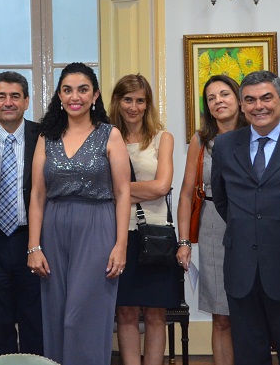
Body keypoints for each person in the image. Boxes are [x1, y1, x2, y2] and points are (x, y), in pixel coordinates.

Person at [27, 62, 131, 365]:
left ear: (95, 95)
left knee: (82, 318)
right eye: (68, 90)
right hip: (53, 227)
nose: (76, 96)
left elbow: (123, 192)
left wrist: (120, 245)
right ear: (59, 95)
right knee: (57, 316)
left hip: (97, 225)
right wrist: (34, 246)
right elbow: (37, 194)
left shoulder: (110, 135)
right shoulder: (48, 136)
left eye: (83, 89)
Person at [210, 70, 280, 365]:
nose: (259, 106)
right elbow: (222, 199)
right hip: (241, 269)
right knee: (248, 356)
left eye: (267, 98)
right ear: (242, 105)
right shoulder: (226, 146)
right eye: (250, 100)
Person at [176, 75, 247, 365]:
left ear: (239, 99)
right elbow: (185, 193)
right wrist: (183, 241)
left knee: (253, 312)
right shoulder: (201, 140)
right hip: (213, 226)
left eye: (224, 94)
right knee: (221, 315)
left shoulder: (256, 134)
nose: (218, 101)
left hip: (251, 224)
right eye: (211, 97)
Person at [109, 74, 178, 365]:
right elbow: (100, 191)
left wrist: (120, 192)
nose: (133, 107)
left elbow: (162, 186)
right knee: (124, 311)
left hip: (157, 234)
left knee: (155, 313)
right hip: (119, 235)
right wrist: (138, 192)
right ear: (117, 102)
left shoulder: (163, 138)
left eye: (140, 100)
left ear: (148, 104)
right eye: (128, 99)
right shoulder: (106, 137)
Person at [0, 71, 43, 357]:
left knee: (34, 318)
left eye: (15, 96)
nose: (8, 102)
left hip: (32, 240)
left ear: (26, 101)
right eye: (1, 96)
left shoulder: (44, 137)